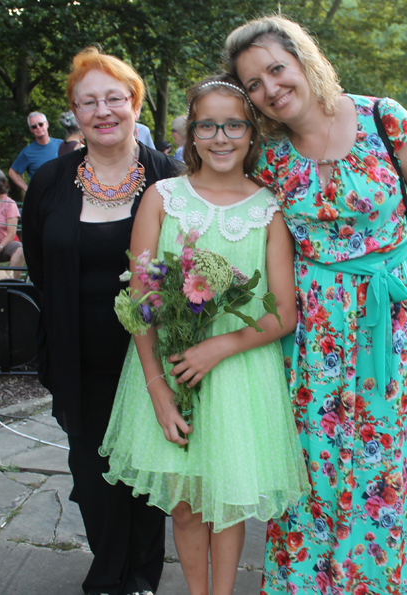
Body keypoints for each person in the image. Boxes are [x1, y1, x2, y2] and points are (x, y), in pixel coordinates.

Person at [223, 15, 407, 595]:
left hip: (389, 333)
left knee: (390, 467)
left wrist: (388, 275)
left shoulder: (386, 118)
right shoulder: (270, 158)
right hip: (312, 341)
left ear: (303, 59)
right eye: (253, 83)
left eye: (276, 68)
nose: (270, 88)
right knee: (313, 469)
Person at [100, 73, 309, 595]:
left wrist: (221, 344)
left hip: (240, 373)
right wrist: (157, 390)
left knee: (228, 504)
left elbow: (284, 312)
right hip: (171, 370)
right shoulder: (162, 197)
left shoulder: (268, 208)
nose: (221, 137)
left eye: (234, 124)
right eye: (208, 125)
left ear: (252, 133)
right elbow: (141, 301)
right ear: (191, 134)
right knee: (189, 506)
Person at [22, 47, 182, 595]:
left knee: (145, 477)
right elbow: (40, 266)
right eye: (89, 101)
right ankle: (111, 566)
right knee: (93, 479)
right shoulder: (49, 183)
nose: (103, 110)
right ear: (74, 112)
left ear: (135, 102)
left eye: (115, 97)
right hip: (78, 357)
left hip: (152, 361)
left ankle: (135, 578)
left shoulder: (172, 179)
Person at [8, 112, 62, 192]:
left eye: (40, 124)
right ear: (31, 129)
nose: (38, 127)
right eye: (34, 126)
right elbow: (12, 172)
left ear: (47, 124)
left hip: (63, 195)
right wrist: (28, 190)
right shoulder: (28, 152)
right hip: (42, 198)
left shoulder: (62, 145)